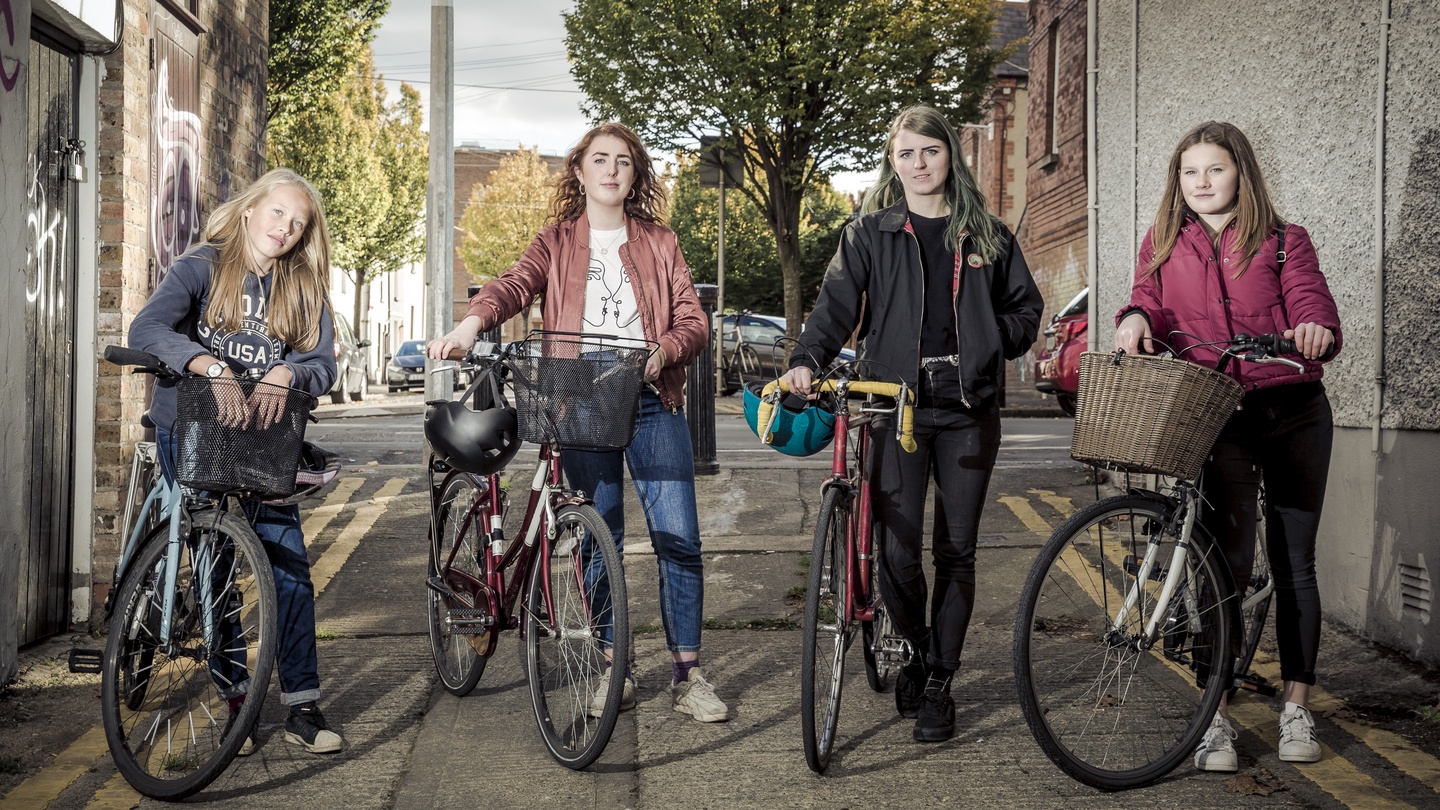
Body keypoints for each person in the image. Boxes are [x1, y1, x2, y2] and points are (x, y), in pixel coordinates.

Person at [426, 123, 727, 723]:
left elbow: (693, 319)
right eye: (600, 160)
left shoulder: (660, 242)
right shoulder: (557, 241)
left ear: (635, 174)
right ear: (581, 172)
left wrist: (662, 353)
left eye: (623, 161)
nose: (611, 170)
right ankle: (616, 666)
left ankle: (688, 675)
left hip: (648, 397)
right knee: (597, 536)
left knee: (679, 540)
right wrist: (469, 326)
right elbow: (512, 286)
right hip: (580, 397)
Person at [782, 105, 1043, 743]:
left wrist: (982, 343)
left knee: (956, 549)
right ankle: (923, 648)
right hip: (892, 406)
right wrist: (804, 361)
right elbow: (835, 307)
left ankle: (938, 682)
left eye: (930, 151)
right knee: (897, 550)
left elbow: (1026, 314)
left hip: (967, 411)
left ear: (950, 155)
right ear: (892, 163)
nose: (919, 164)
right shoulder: (870, 232)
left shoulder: (987, 236)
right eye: (906, 154)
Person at [1114, 121, 1341, 772]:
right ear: (1177, 182)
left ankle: (1296, 705)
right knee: (1225, 568)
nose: (1203, 183)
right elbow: (1147, 303)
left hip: (1294, 407)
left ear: (1240, 172)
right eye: (1190, 173)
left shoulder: (1282, 241)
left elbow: (1309, 300)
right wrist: (1133, 320)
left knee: (1295, 561)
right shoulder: (1163, 241)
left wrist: (1314, 328)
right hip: (1219, 414)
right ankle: (1215, 716)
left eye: (1215, 169)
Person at [129, 168, 345, 755]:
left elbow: (324, 363)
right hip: (194, 430)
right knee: (215, 566)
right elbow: (147, 327)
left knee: (288, 568)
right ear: (250, 210)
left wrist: (289, 371)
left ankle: (303, 706)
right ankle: (235, 700)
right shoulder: (199, 267)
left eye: (299, 223)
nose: (286, 229)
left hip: (266, 443)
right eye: (278, 213)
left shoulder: (304, 287)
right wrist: (211, 365)